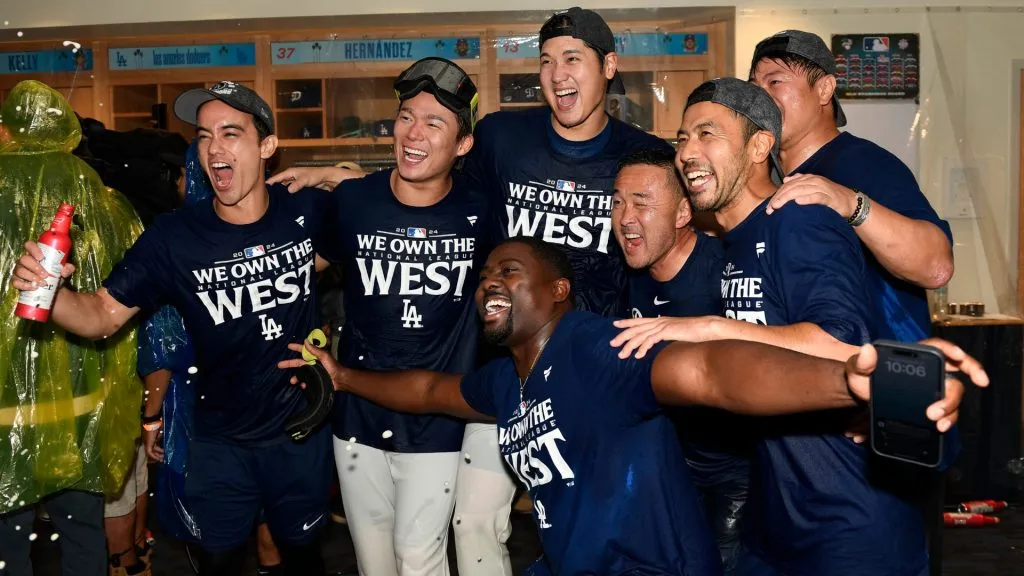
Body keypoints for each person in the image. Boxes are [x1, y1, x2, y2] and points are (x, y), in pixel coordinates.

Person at [281, 235, 981, 576]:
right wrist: (344, 378)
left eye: (510, 272)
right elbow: (430, 391)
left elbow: (709, 371)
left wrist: (846, 382)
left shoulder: (591, 348)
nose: (488, 283)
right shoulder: (506, 382)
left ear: (558, 291)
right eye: (484, 275)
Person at [267, 9, 678, 573]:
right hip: (500, 364)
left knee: (587, 522)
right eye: (547, 61)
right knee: (472, 521)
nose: (558, 75)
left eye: (574, 59)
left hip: (587, 370)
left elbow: (673, 231)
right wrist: (337, 176)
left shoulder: (640, 154)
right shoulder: (502, 137)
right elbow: (434, 180)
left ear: (609, 66)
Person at [612, 77, 947, 576]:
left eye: (707, 134)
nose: (687, 152)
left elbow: (840, 348)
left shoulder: (800, 221)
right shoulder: (732, 242)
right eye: (683, 139)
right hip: (775, 520)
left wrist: (706, 329)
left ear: (759, 145)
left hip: (850, 524)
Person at [10, 81, 333, 576]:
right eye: (204, 136)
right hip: (219, 442)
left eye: (231, 133)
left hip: (300, 433)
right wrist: (50, 295)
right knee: (220, 562)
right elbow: (100, 315)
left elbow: (380, 200)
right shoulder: (175, 236)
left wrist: (331, 172)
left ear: (267, 146)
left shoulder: (305, 211)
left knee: (303, 558)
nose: (215, 148)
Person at [314, 57, 496, 576]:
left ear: (462, 145)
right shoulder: (353, 201)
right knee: (375, 565)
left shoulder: (483, 210)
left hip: (436, 418)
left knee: (418, 558)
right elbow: (302, 273)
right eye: (406, 117)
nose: (414, 133)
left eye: (434, 123)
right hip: (356, 411)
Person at [748, 30, 954, 342]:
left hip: (883, 375)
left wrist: (850, 204)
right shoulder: (766, 177)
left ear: (824, 89)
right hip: (807, 374)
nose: (760, 98)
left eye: (775, 82)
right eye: (755, 87)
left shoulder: (864, 163)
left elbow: (936, 266)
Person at [612, 148, 749, 572]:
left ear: (682, 213)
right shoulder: (628, 275)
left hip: (736, 476)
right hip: (666, 469)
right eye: (617, 201)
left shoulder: (726, 272)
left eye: (642, 202)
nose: (625, 217)